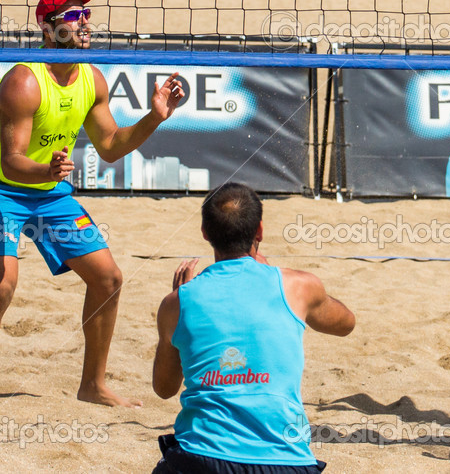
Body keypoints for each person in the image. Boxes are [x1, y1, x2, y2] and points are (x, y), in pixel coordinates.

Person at [0, 0, 186, 411]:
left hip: (49, 191)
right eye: (73, 16)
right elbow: (10, 162)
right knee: (1, 287)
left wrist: (155, 115)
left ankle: (92, 386)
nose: (84, 22)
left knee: (109, 280)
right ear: (47, 27)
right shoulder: (23, 81)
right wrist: (47, 171)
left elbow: (111, 146)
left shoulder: (92, 78)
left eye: (85, 14)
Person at [152, 182, 355, 474]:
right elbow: (347, 323)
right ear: (259, 231)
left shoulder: (177, 302)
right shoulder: (299, 287)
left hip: (201, 458)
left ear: (205, 233)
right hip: (286, 462)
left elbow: (164, 388)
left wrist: (177, 313)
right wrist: (277, 274)